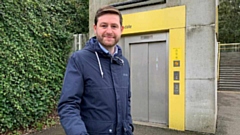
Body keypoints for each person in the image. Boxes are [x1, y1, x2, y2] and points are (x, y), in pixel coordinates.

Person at [57, 5, 134, 135]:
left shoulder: (123, 63)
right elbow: (68, 105)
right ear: (95, 28)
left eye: (114, 26)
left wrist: (129, 127)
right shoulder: (79, 60)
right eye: (104, 26)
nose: (109, 31)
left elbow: (126, 101)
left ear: (121, 29)